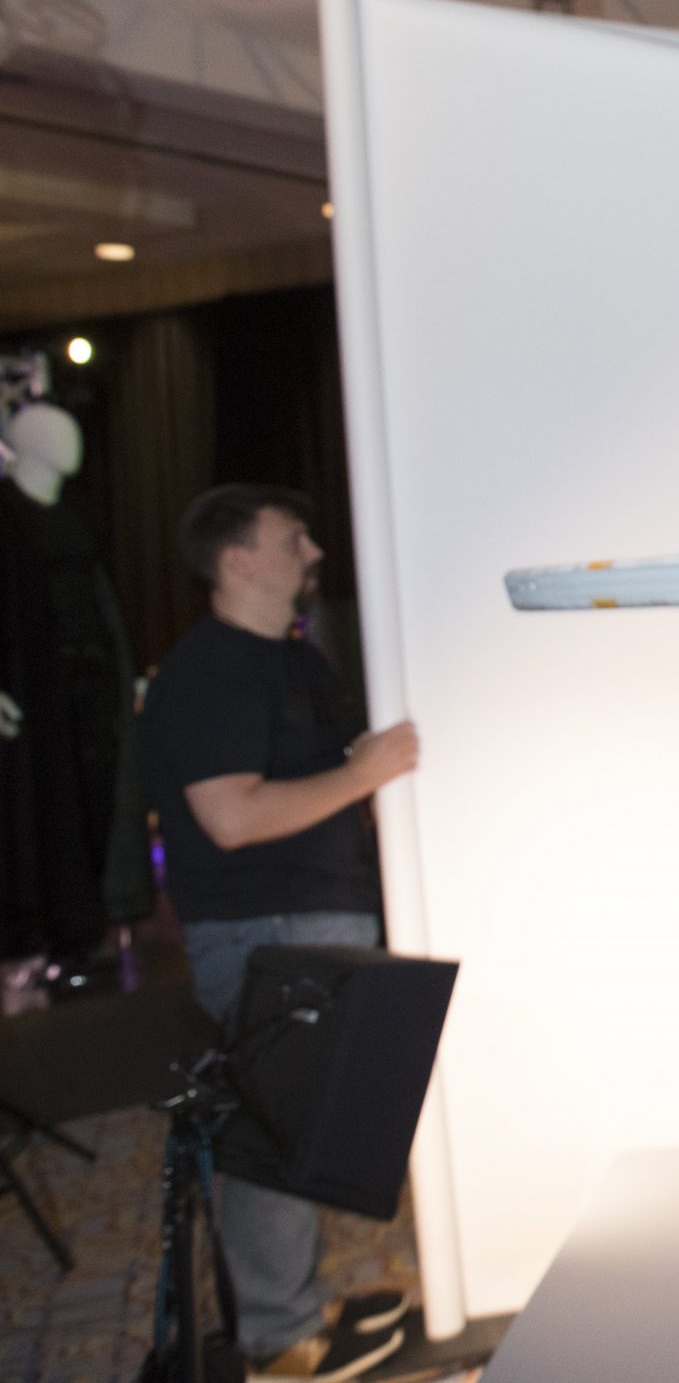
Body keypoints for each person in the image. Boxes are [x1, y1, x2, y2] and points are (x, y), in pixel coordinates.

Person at [140, 485, 421, 1382]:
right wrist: (367, 772)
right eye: (293, 538)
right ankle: (281, 1341)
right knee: (278, 1140)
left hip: (310, 914)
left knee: (310, 1130)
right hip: (262, 927)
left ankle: (295, 1314)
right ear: (238, 560)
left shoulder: (295, 661)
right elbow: (230, 817)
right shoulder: (208, 673)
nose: (313, 552)